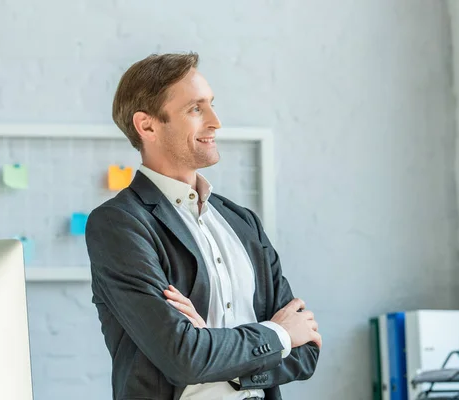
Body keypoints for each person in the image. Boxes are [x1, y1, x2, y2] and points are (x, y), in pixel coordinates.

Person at [85, 52, 321, 400]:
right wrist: (278, 336)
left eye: (210, 104)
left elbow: (307, 352)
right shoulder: (119, 224)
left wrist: (219, 352)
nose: (216, 121)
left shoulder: (242, 222)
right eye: (196, 109)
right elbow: (184, 356)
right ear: (147, 125)